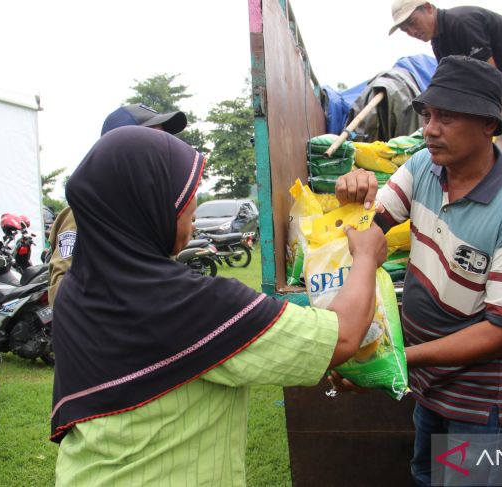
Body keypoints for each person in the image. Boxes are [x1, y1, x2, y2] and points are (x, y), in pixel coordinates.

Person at [50, 126, 387, 486]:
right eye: (180, 193)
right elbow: (344, 335)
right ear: (143, 203)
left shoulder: (75, 292)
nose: (192, 204)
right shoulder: (189, 303)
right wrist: (365, 257)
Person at [334, 56, 502, 486]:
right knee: (427, 474)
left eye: (447, 117)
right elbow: (371, 228)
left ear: (489, 124)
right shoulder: (423, 168)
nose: (430, 129)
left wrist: (397, 361)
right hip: (431, 384)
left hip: (482, 400)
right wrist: (353, 195)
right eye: (428, 115)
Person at [388, 0, 502, 173]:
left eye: (412, 22)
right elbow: (451, 87)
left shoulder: (461, 22)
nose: (412, 31)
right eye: (405, 29)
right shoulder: (439, 44)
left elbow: (488, 75)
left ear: (429, 9)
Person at [48, 103, 188, 305]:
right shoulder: (84, 213)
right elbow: (61, 292)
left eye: (163, 140)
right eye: (151, 140)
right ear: (115, 149)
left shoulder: (152, 212)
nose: (163, 149)